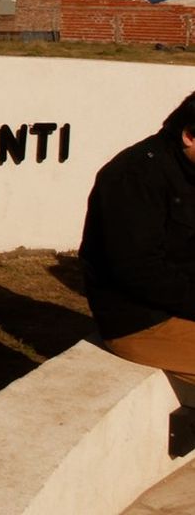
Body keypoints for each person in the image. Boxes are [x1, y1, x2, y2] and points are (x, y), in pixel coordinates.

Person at [81, 90, 195, 382]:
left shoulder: (187, 169)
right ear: (190, 136)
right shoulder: (134, 175)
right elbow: (138, 272)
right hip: (143, 322)